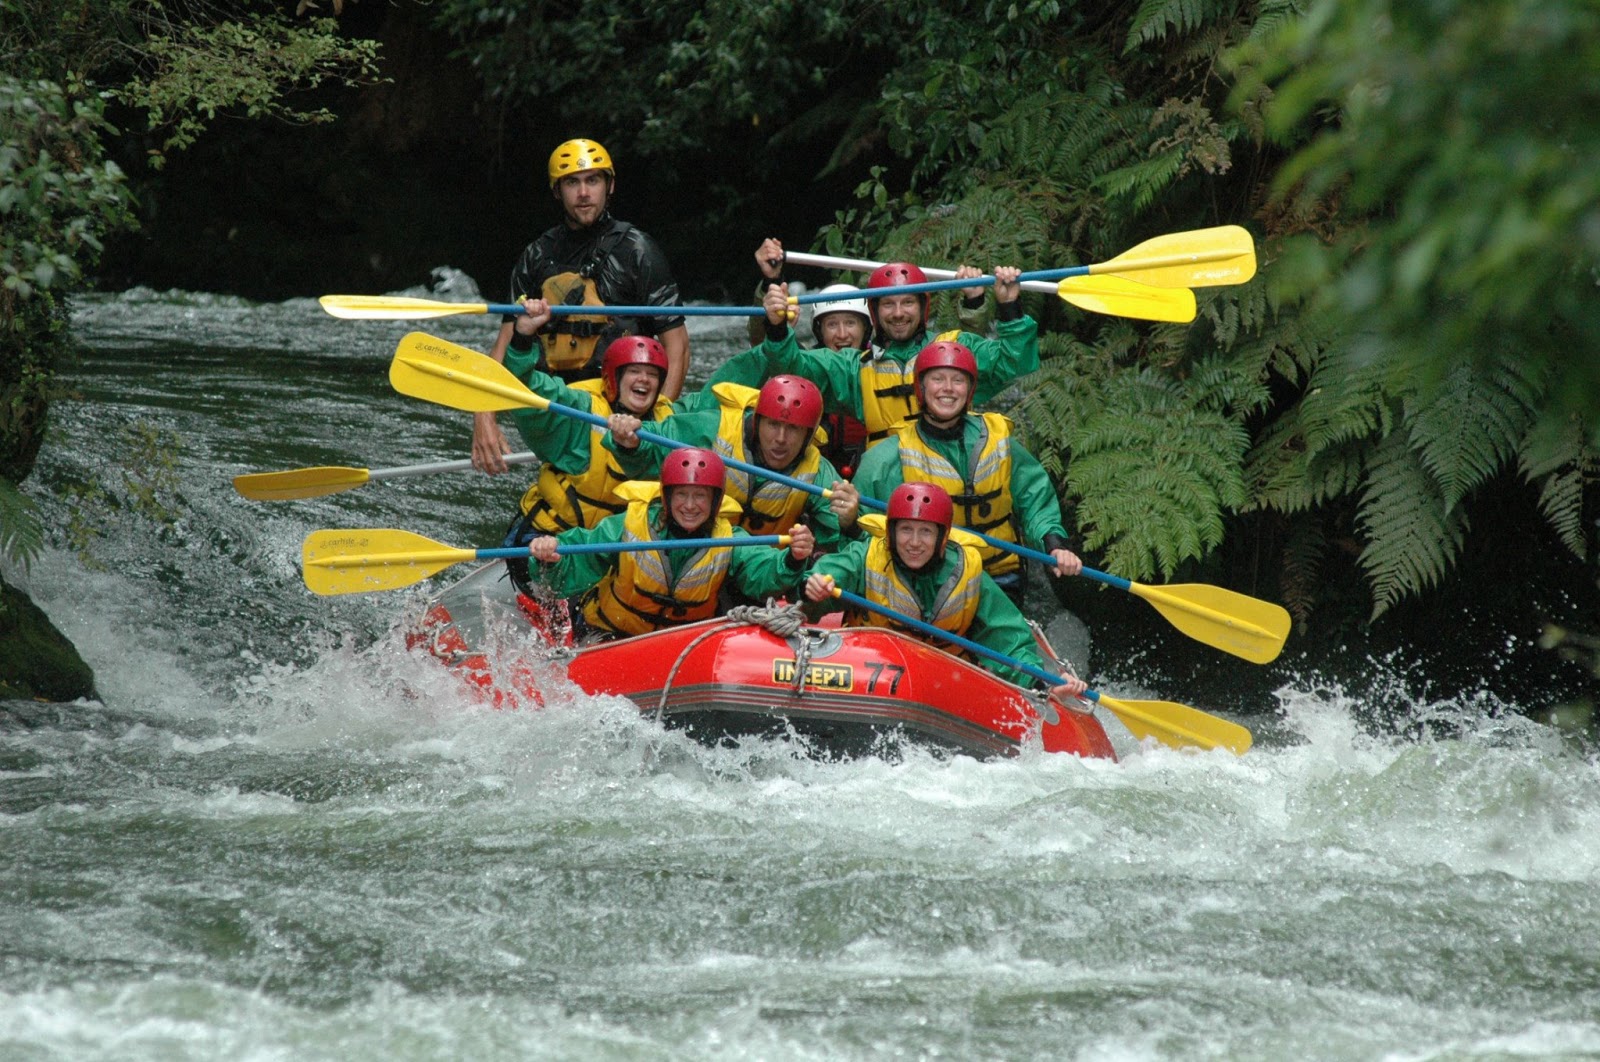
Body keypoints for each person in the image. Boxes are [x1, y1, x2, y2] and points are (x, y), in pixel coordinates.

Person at [473, 138, 689, 475]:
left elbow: (678, 348)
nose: (584, 193)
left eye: (593, 180)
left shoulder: (638, 251)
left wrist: (655, 429)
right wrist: (483, 417)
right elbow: (504, 347)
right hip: (562, 413)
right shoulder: (536, 256)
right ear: (557, 191)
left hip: (624, 413)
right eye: (572, 182)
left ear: (609, 186)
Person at [848, 339, 1080, 607]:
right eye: (937, 379)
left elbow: (1035, 498)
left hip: (999, 578)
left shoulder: (999, 442)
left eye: (957, 380)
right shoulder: (885, 458)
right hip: (928, 582)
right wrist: (849, 521)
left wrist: (1053, 542)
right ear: (921, 388)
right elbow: (863, 532)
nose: (948, 388)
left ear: (970, 390)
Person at [802, 481, 1086, 700]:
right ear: (891, 532)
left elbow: (1008, 637)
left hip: (947, 680)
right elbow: (832, 570)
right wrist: (814, 585)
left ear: (942, 537)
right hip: (870, 669)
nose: (914, 542)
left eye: (925, 531)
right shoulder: (867, 555)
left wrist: (1041, 683)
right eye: (906, 530)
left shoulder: (967, 572)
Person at [716, 258, 1039, 448]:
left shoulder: (954, 350)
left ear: (923, 307)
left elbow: (1014, 362)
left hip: (951, 473)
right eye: (888, 304)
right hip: (886, 480)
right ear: (874, 311)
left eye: (907, 302)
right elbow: (793, 367)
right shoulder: (853, 368)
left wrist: (1009, 305)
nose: (898, 313)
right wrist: (776, 327)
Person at [525, 449, 815, 640]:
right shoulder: (628, 527)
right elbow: (577, 558)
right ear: (666, 497)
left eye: (700, 496)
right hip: (610, 635)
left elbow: (762, 569)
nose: (690, 505)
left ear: (715, 501)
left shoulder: (729, 538)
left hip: (682, 643)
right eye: (681, 495)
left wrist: (792, 558)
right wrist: (550, 557)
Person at [605, 374, 856, 554]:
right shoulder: (712, 428)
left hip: (760, 569)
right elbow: (651, 443)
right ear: (757, 421)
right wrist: (628, 441)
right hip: (698, 551)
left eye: (793, 429)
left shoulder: (818, 472)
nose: (780, 439)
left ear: (809, 436)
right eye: (773, 424)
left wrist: (850, 523)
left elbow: (845, 542)